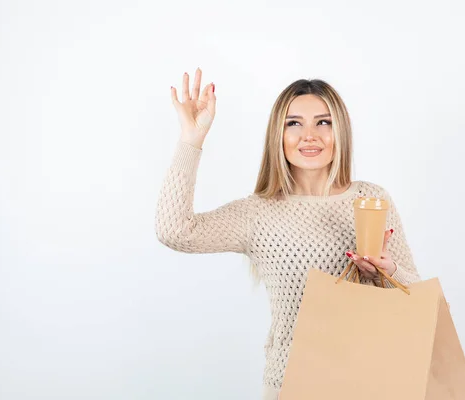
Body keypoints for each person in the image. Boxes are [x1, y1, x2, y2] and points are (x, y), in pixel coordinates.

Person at [154, 67, 421, 399]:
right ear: (277, 135)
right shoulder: (258, 212)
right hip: (295, 384)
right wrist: (190, 139)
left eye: (323, 122)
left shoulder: (372, 200)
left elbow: (417, 299)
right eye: (294, 123)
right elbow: (174, 230)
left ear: (341, 131)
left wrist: (387, 271)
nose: (310, 135)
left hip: (374, 382)